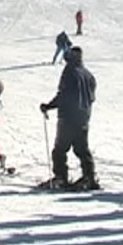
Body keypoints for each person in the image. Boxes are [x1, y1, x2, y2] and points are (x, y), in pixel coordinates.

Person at [39, 46, 98, 190]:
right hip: (83, 118)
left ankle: (61, 178)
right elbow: (91, 97)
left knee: (60, 149)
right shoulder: (88, 75)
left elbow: (64, 95)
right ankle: (89, 177)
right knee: (82, 148)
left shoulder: (70, 72)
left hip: (68, 117)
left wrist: (49, 106)